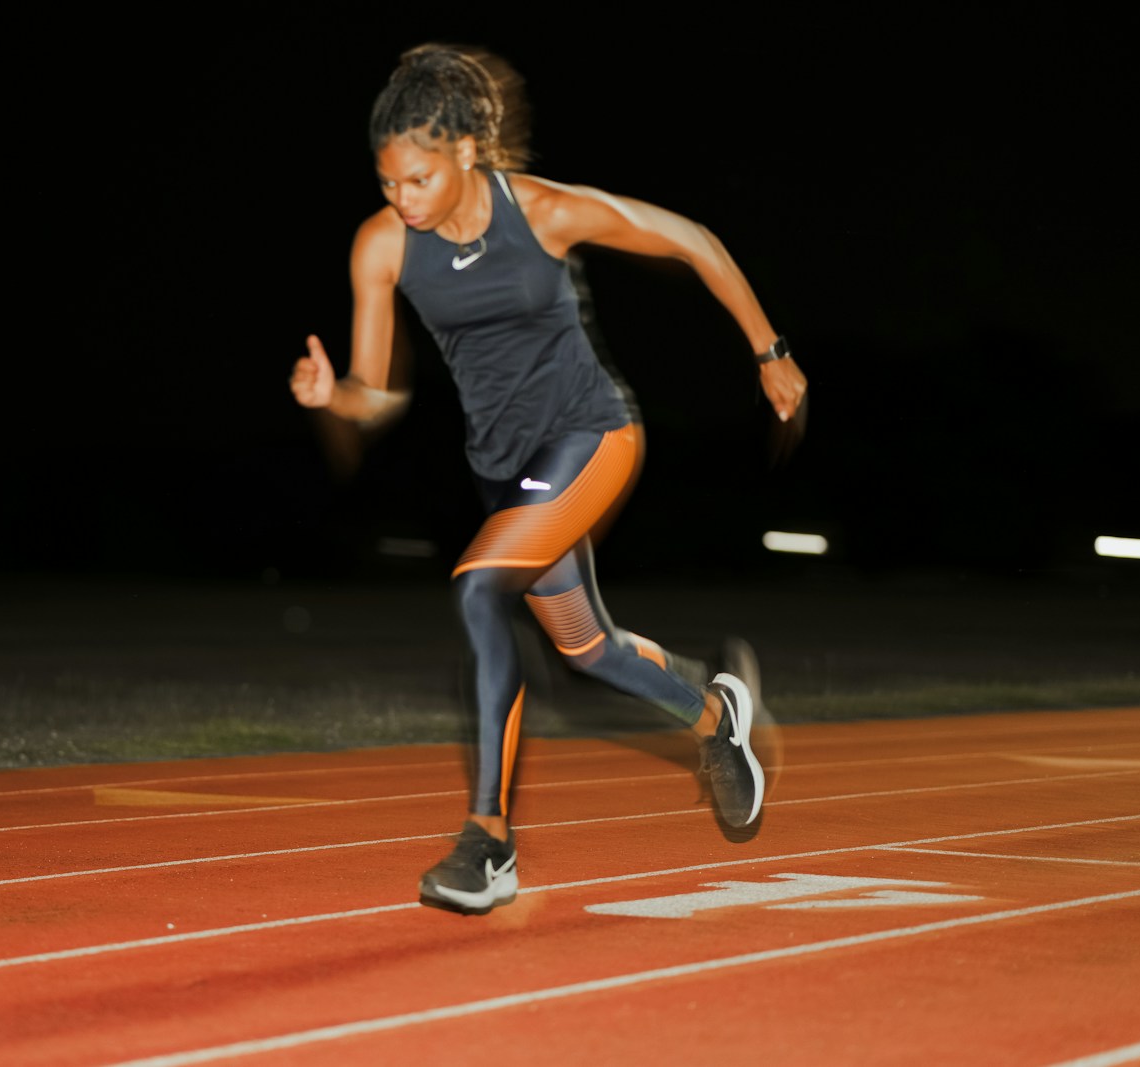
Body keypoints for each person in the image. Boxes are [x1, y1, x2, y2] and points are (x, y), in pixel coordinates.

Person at [288, 43, 808, 915]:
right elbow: (379, 393)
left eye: (416, 179)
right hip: (506, 471)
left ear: (462, 153)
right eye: (387, 184)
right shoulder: (380, 246)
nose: (400, 199)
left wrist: (771, 352)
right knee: (587, 647)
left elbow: (694, 240)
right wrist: (335, 395)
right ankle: (719, 717)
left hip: (593, 434)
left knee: (478, 590)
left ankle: (487, 842)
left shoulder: (545, 212)